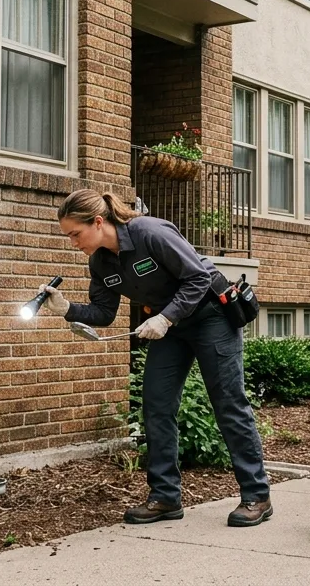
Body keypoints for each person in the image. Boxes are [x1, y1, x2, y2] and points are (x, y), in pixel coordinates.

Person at [41, 189, 272, 527]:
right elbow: (104, 313)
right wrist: (66, 308)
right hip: (171, 327)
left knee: (228, 402)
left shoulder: (150, 232)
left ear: (99, 222)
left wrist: (165, 317)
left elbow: (198, 277)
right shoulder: (101, 262)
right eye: (69, 237)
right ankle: (165, 497)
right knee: (156, 405)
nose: (73, 243)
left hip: (211, 317)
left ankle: (257, 496)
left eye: (76, 234)